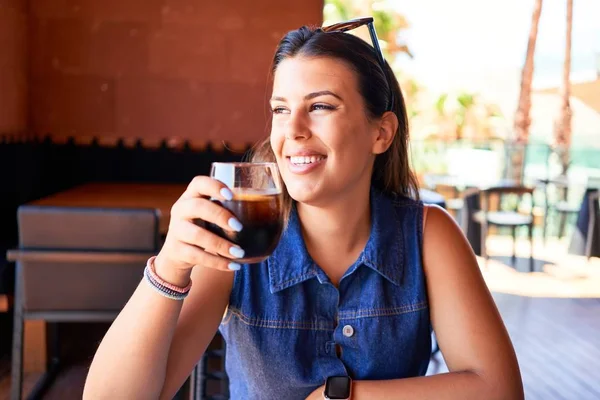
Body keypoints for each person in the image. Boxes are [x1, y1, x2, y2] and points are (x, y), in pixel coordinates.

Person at [84, 18, 524, 400]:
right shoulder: (235, 237)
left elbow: (498, 389)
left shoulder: (428, 235)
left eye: (319, 106)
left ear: (381, 133)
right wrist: (169, 267)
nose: (291, 130)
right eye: (280, 109)